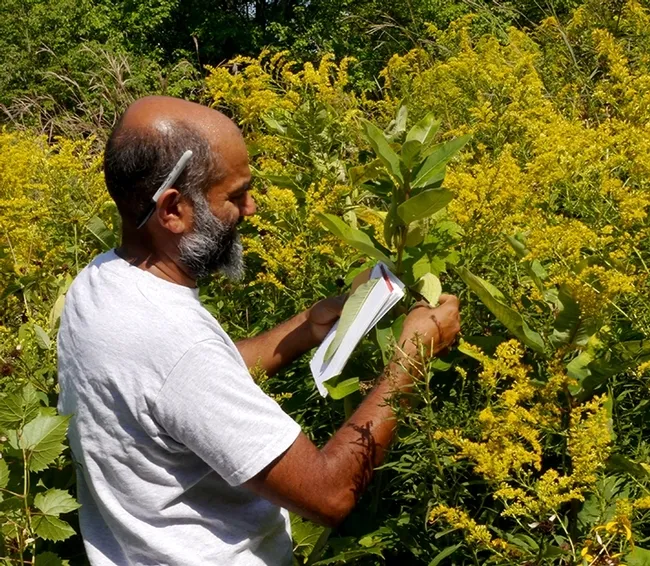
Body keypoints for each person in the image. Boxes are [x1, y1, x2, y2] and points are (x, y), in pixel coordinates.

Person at [57, 96, 461, 566]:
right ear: (173, 210)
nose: (251, 207)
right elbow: (329, 496)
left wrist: (306, 327)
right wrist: (412, 355)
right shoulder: (175, 342)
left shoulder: (99, 284)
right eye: (234, 195)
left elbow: (181, 388)